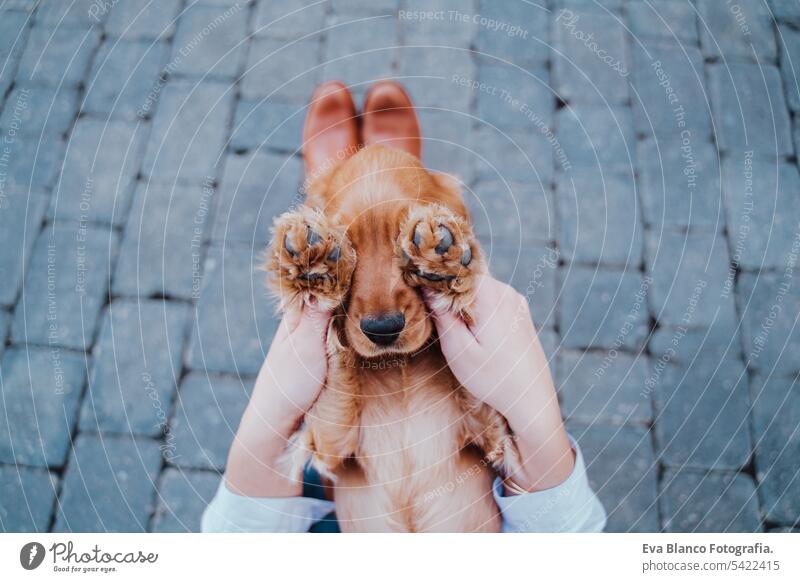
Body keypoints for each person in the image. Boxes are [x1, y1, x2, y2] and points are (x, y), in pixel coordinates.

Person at [201, 81, 606, 533]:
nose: (381, 312)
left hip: (344, 452)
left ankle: (336, 204)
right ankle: (410, 221)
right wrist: (533, 405)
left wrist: (274, 408)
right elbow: (564, 531)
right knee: (477, 325)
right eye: (350, 240)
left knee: (302, 450)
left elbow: (325, 456)